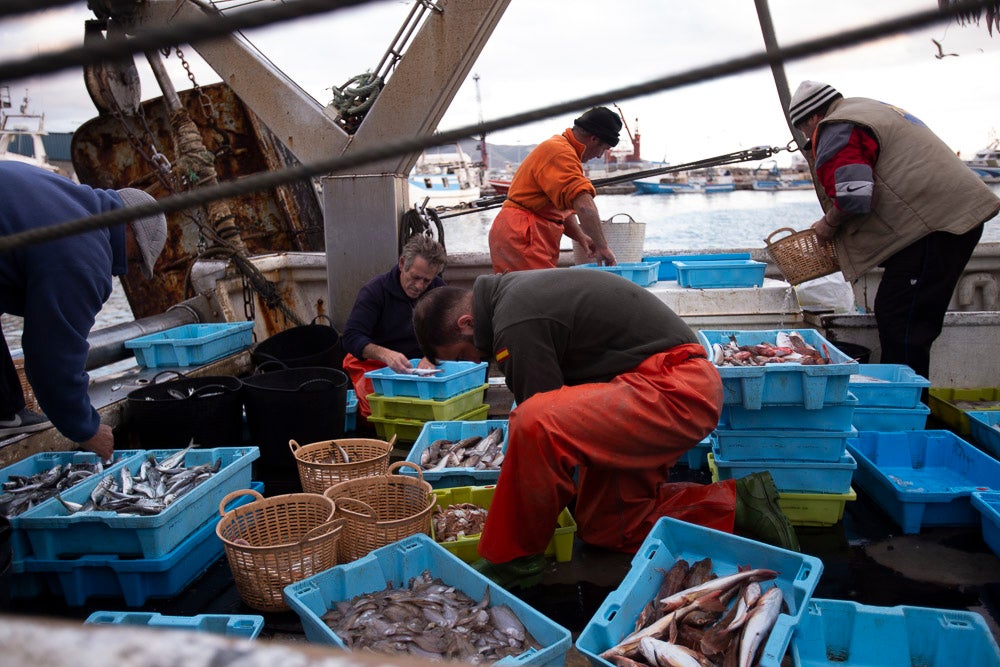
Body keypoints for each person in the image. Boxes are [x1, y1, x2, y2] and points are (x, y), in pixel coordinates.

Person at [412, 269, 798, 589]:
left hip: (676, 389)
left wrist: (519, 526)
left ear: (466, 323)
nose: (475, 359)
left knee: (534, 421)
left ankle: (514, 563)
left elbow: (543, 426)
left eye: (463, 354)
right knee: (609, 529)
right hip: (641, 392)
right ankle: (742, 503)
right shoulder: (510, 298)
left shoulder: (514, 321)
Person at [789, 81, 1000, 381]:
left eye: (806, 134)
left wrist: (828, 224)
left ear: (811, 119)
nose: (810, 139)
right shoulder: (867, 108)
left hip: (934, 227)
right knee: (903, 316)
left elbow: (855, 195)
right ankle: (907, 405)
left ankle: (906, 413)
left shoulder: (837, 127)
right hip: (949, 220)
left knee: (902, 321)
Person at [0, 161, 168, 459]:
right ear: (129, 228)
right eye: (137, 256)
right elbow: (51, 353)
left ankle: (5, 411)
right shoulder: (86, 253)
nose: (128, 268)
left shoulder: (70, 201)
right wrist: (85, 429)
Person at [488, 107, 621, 273]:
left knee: (531, 294)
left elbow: (563, 211)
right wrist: (603, 247)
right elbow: (584, 205)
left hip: (528, 234)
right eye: (604, 149)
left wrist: (581, 237)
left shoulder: (563, 150)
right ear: (594, 139)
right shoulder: (560, 152)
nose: (600, 156)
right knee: (534, 295)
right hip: (524, 235)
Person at [341, 234, 447, 419]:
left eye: (426, 281)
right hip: (377, 364)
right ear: (401, 264)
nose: (419, 286)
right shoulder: (374, 291)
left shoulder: (439, 290)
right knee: (375, 413)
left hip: (421, 364)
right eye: (415, 277)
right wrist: (385, 354)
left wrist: (432, 355)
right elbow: (351, 337)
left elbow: (450, 331)